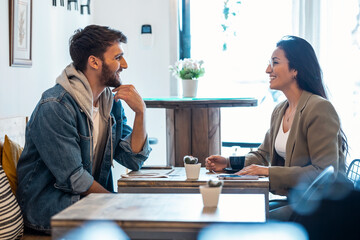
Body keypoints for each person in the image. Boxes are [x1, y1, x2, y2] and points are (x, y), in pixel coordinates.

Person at [16, 25, 151, 233]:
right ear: (94, 61)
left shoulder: (110, 101)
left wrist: (141, 112)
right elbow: (75, 179)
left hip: (87, 203)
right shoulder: (55, 106)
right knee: (141, 226)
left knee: (148, 219)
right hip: (50, 210)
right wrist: (118, 204)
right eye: (118, 57)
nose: (124, 64)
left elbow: (132, 159)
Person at [206, 36, 347, 202]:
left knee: (245, 219)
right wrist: (228, 162)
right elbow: (262, 155)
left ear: (295, 69)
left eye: (275, 62)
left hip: (321, 207)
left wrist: (267, 171)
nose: (267, 69)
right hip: (295, 201)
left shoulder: (319, 108)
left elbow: (323, 172)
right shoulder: (280, 110)